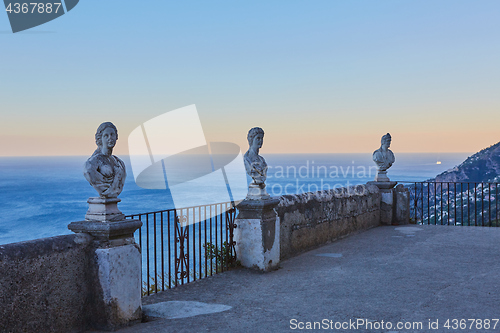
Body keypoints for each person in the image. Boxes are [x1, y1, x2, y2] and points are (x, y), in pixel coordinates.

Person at [83, 122, 126, 198]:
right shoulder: (92, 163)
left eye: (112, 134)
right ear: (100, 138)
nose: (110, 138)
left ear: (116, 137)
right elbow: (88, 172)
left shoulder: (120, 163)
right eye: (106, 135)